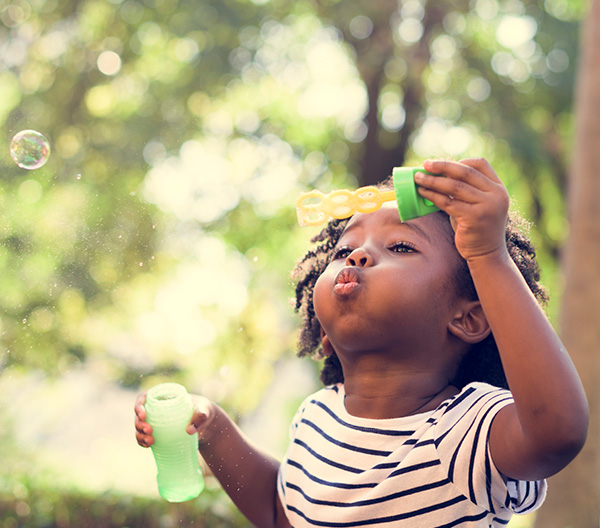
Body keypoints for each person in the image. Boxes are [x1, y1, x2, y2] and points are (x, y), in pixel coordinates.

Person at [135, 158, 588, 528]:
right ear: (326, 337)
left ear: (468, 318)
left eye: (402, 247)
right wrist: (211, 428)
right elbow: (281, 513)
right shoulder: (316, 418)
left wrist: (488, 255)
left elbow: (556, 433)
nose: (357, 254)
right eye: (341, 251)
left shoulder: (464, 432)